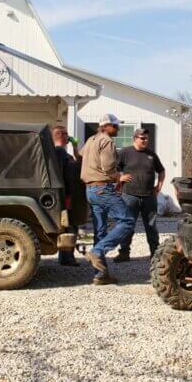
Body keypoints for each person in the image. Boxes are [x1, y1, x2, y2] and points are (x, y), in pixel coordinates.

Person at [79, 113, 136, 285]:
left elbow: (81, 156)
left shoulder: (91, 140)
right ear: (107, 126)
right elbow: (108, 166)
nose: (118, 129)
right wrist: (119, 177)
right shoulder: (107, 141)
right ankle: (98, 250)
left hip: (90, 190)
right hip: (103, 189)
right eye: (116, 126)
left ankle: (101, 274)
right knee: (127, 220)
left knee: (100, 232)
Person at [114, 127, 165, 261]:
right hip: (130, 196)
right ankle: (124, 253)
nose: (145, 140)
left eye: (147, 138)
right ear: (135, 138)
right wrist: (119, 178)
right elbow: (113, 168)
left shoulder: (151, 154)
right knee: (127, 226)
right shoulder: (125, 152)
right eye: (142, 138)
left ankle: (155, 254)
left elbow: (161, 170)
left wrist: (159, 186)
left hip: (149, 197)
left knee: (151, 226)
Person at [52, 124, 86, 266]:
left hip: (71, 197)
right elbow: (59, 175)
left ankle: (67, 256)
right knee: (69, 227)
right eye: (66, 134)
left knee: (72, 226)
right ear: (60, 135)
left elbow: (79, 163)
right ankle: (66, 257)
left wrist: (75, 147)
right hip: (66, 197)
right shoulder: (59, 152)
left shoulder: (66, 154)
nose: (68, 137)